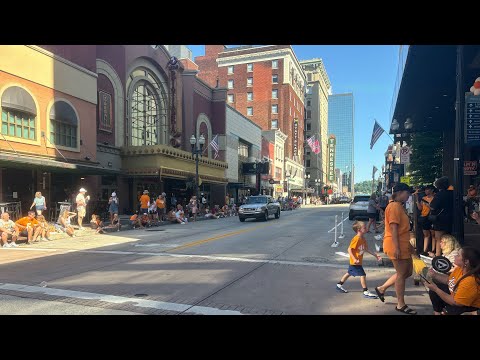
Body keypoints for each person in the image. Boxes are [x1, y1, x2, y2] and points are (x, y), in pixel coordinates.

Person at [374, 183, 417, 315]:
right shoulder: (393, 206)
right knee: (401, 274)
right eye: (407, 193)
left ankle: (382, 288)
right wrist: (397, 248)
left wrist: (409, 246)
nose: (408, 196)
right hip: (395, 245)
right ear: (399, 193)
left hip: (403, 244)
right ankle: (401, 304)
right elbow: (393, 229)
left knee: (407, 272)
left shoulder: (398, 206)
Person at [424, 246, 480, 315]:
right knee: (435, 290)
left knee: (447, 311)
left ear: (466, 261)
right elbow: (449, 280)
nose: (455, 256)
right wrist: (435, 275)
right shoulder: (459, 269)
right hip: (456, 297)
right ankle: (437, 313)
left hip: (468, 305)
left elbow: (455, 302)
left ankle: (472, 313)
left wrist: (436, 289)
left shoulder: (470, 281)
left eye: (458, 255)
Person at [336, 221, 382, 298]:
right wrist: (354, 259)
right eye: (364, 227)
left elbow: (366, 249)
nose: (367, 228)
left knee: (349, 273)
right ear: (359, 230)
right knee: (362, 275)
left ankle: (339, 284)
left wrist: (376, 255)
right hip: (355, 262)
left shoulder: (362, 238)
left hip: (358, 261)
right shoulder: (356, 239)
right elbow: (349, 249)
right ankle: (365, 291)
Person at [429, 176, 454, 257]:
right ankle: (448, 255)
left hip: (440, 219)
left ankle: (438, 256)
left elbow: (432, 206)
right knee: (449, 238)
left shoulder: (439, 195)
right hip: (451, 218)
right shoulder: (452, 193)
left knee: (439, 238)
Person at [416, 185, 436, 255]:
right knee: (426, 235)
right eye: (425, 189)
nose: (426, 191)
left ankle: (433, 250)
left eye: (427, 189)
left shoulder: (435, 198)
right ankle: (424, 250)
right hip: (424, 217)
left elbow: (434, 208)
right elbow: (420, 208)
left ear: (432, 190)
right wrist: (417, 201)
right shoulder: (423, 198)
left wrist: (428, 205)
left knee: (433, 234)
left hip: (431, 217)